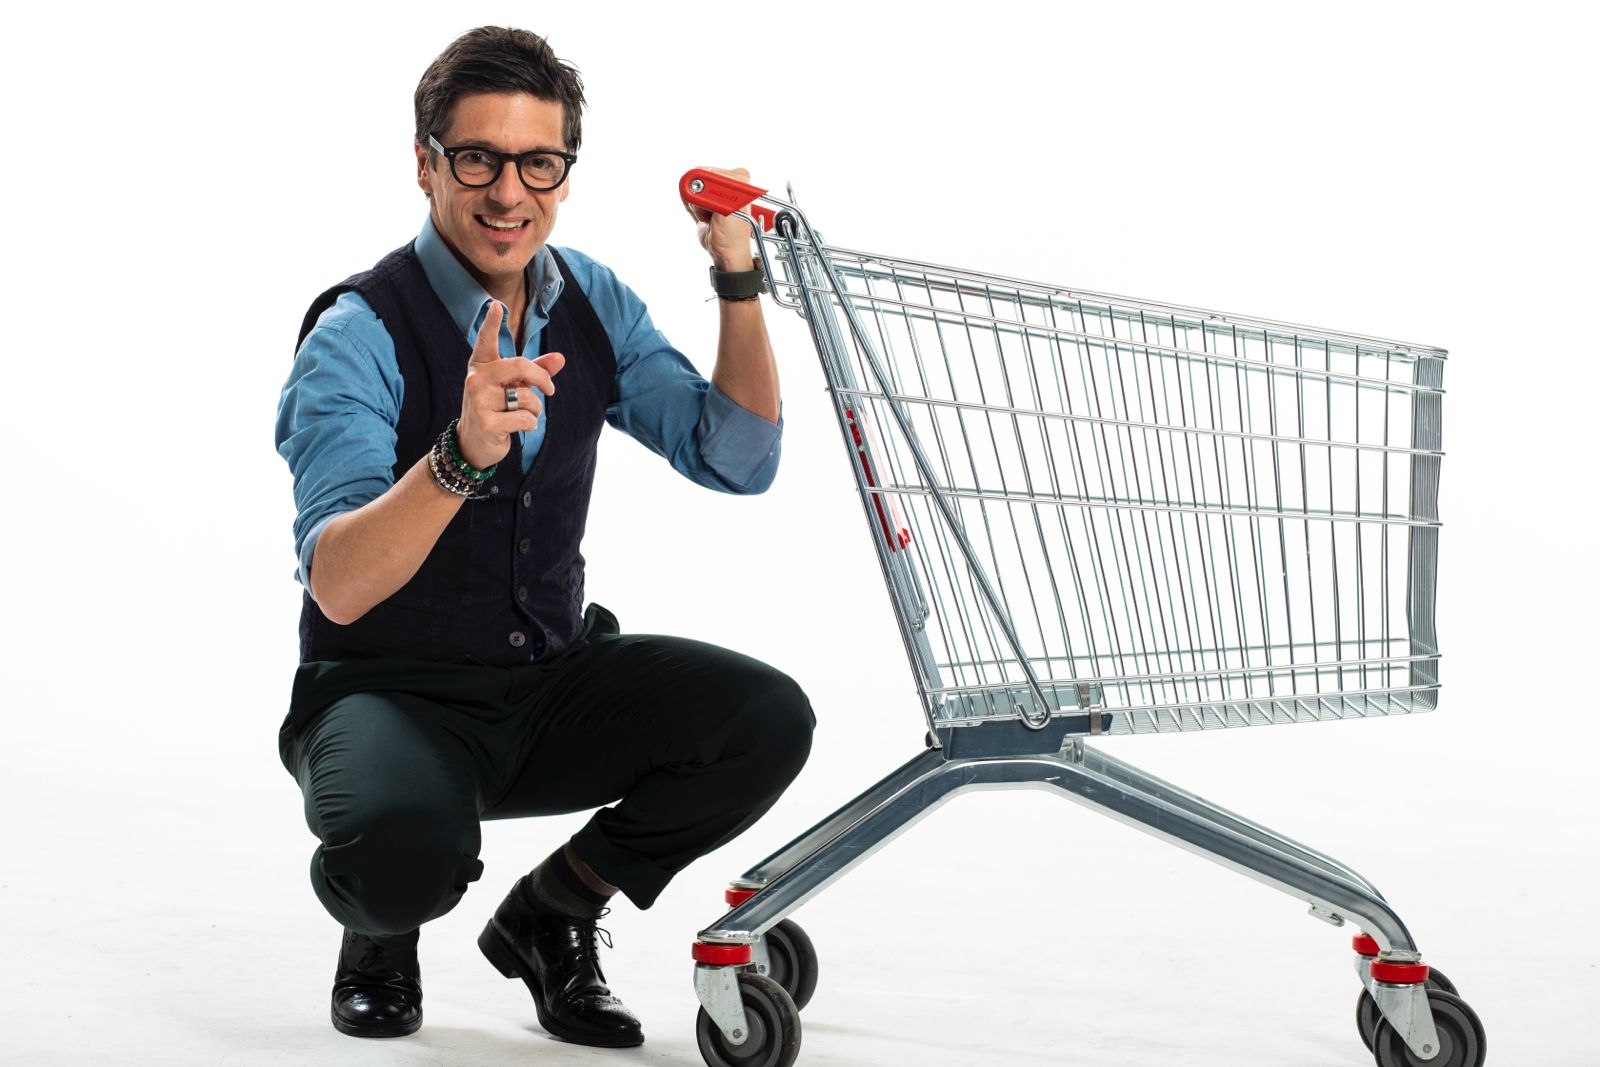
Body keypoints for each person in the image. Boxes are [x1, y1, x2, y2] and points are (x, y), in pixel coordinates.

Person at [273, 25, 814, 1048]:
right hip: (392, 692)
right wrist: (458, 456)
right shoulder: (358, 333)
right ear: (426, 163)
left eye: (539, 163)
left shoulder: (588, 300)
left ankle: (553, 909)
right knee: (398, 850)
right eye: (478, 158)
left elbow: (736, 458)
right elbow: (338, 583)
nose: (509, 193)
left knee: (765, 719)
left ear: (566, 171)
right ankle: (381, 928)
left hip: (548, 679)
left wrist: (736, 279)